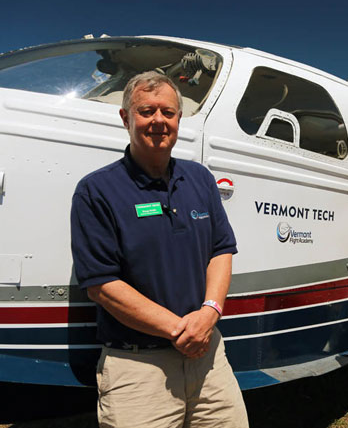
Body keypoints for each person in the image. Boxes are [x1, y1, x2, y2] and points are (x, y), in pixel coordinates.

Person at [70, 71, 248, 428]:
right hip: (138, 369)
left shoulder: (200, 179)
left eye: (167, 112)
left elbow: (221, 250)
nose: (158, 121)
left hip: (209, 359)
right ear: (126, 118)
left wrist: (210, 313)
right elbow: (102, 284)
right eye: (146, 111)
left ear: (179, 119)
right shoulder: (96, 191)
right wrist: (180, 330)